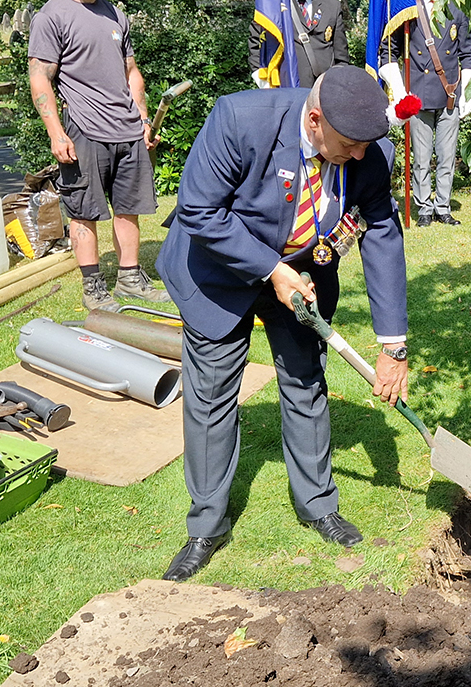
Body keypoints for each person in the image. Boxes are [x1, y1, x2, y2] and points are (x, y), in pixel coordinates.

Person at [154, 66, 411, 581]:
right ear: (314, 121)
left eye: (366, 145)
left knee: (305, 382)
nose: (360, 155)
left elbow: (382, 233)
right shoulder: (240, 119)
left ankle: (318, 506)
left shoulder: (368, 151)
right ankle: (206, 525)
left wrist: (393, 345)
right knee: (211, 397)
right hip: (218, 269)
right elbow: (198, 210)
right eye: (349, 145)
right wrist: (271, 270)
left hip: (303, 275)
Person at [28, 0, 169, 311]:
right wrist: (56, 133)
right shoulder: (52, 16)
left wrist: (143, 119)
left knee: (128, 208)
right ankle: (93, 287)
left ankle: (130, 279)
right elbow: (40, 78)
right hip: (84, 130)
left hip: (127, 128)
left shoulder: (114, 14)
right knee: (83, 210)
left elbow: (131, 72)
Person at [379, 0, 471, 227]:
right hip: (418, 94)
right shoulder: (407, 10)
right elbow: (389, 50)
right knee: (421, 158)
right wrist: (399, 90)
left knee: (447, 156)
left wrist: (468, 92)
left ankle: (442, 206)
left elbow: (467, 53)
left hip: (448, 94)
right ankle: (423, 207)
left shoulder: (456, 9)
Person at [249, 0, 351, 88]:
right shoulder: (274, 6)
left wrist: (336, 83)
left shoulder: (331, 6)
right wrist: (264, 82)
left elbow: (341, 56)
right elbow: (255, 42)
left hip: (324, 90)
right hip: (286, 88)